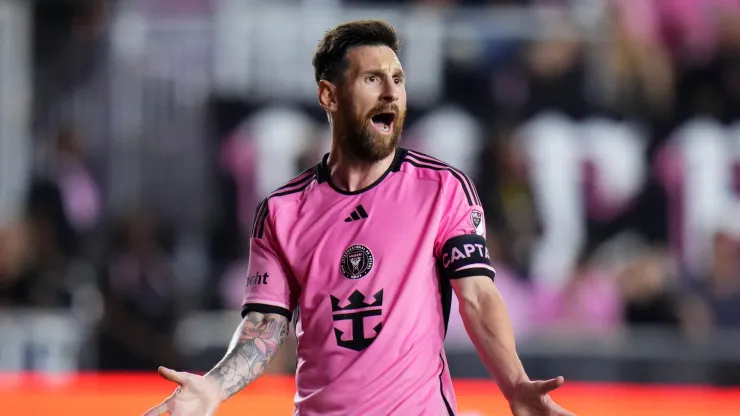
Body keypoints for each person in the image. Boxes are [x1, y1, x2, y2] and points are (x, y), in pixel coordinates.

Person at [143, 20, 575, 416]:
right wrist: (213, 389)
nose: (391, 92)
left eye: (398, 80)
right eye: (373, 79)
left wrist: (516, 385)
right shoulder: (282, 211)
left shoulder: (442, 189)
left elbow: (477, 297)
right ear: (329, 95)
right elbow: (266, 326)